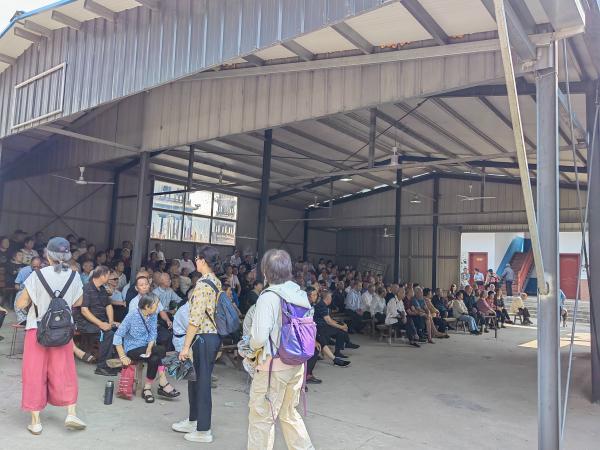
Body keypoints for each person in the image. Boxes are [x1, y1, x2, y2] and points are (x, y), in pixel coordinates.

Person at [15, 237, 86, 435]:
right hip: (63, 330)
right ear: (67, 255)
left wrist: (38, 300)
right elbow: (79, 301)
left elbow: (21, 303)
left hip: (37, 329)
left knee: (34, 373)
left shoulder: (37, 275)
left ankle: (36, 422)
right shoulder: (74, 276)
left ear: (48, 254)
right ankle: (71, 413)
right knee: (65, 371)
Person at [247, 249, 314, 450]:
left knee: (261, 417)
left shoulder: (268, 297)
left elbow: (259, 337)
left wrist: (250, 349)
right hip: (297, 363)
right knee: (289, 413)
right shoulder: (299, 293)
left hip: (273, 367)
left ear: (265, 271)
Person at [172, 245, 222, 443]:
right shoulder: (215, 281)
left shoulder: (203, 284)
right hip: (209, 337)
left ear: (202, 260)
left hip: (203, 337)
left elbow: (195, 319)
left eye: (197, 259)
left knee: (201, 382)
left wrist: (185, 347)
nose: (195, 262)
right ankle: (193, 420)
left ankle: (203, 430)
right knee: (194, 380)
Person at [113, 293, 180, 403]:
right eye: (155, 305)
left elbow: (153, 333)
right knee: (161, 350)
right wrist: (122, 356)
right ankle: (163, 382)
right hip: (132, 349)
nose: (158, 307)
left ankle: (147, 389)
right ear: (146, 307)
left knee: (155, 358)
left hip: (146, 348)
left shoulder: (153, 315)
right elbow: (118, 335)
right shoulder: (132, 316)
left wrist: (149, 347)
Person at [78, 266, 119, 376]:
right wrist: (101, 324)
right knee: (108, 334)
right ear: (103, 276)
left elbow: (108, 305)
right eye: (108, 275)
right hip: (86, 323)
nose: (109, 278)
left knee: (119, 330)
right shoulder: (87, 288)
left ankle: (112, 363)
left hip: (101, 321)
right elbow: (84, 311)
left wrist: (111, 322)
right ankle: (101, 367)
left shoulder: (102, 289)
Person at [312, 288, 359, 360]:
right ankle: (338, 351)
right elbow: (329, 321)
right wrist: (341, 327)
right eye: (331, 297)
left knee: (341, 327)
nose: (331, 299)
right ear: (328, 298)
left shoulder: (322, 304)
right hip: (320, 328)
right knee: (341, 332)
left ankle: (346, 344)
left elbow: (329, 319)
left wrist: (341, 325)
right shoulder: (322, 306)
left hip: (323, 326)